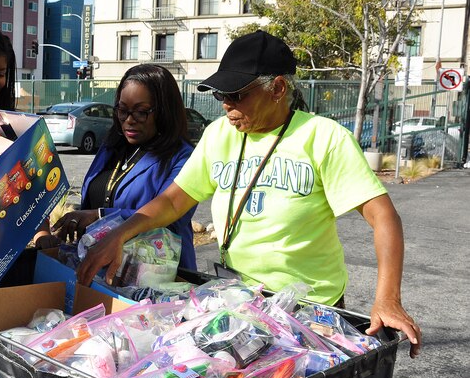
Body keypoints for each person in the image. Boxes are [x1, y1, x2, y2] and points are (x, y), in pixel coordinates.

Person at [77, 30, 422, 358]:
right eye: (220, 95)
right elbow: (173, 200)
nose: (226, 105)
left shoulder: (324, 138)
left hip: (309, 311)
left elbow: (384, 217)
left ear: (278, 88)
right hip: (238, 302)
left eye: (236, 94)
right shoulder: (219, 135)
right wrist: (120, 233)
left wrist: (387, 299)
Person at [37, 63, 198, 270]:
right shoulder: (112, 145)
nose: (129, 120)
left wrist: (100, 215)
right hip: (99, 272)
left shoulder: (182, 157)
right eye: (122, 110)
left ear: (164, 111)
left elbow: (169, 219)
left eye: (141, 112)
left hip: (154, 281)